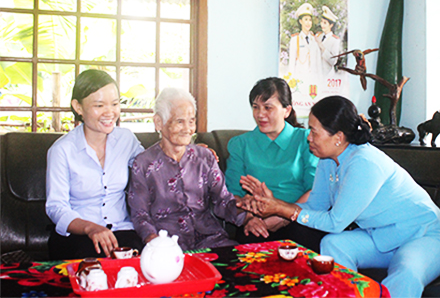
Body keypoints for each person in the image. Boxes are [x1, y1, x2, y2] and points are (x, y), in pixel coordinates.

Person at [240, 95, 440, 298]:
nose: (309, 137)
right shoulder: (328, 159)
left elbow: (335, 222)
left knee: (407, 271)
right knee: (334, 245)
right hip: (382, 237)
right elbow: (316, 205)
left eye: (314, 132)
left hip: (424, 236)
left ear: (338, 137)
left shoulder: (364, 163)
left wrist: (281, 209)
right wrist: (275, 206)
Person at [128, 87, 247, 251]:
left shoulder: (205, 157)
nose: (187, 128)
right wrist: (153, 241)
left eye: (191, 121)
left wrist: (247, 217)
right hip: (167, 244)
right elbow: (140, 215)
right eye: (179, 121)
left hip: (211, 239)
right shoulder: (143, 164)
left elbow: (223, 201)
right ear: (158, 122)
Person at [46, 69, 145, 260]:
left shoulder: (126, 139)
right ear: (78, 107)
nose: (110, 112)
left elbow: (152, 165)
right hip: (78, 234)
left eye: (115, 104)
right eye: (99, 105)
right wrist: (90, 228)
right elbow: (56, 207)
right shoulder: (62, 150)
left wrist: (187, 151)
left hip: (122, 230)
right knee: (93, 270)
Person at [225, 77, 327, 252]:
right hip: (258, 220)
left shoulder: (306, 140)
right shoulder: (240, 144)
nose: (260, 114)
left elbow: (315, 190)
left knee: (303, 237)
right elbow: (230, 195)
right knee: (250, 239)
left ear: (286, 110)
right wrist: (249, 218)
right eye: (255, 107)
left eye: (268, 107)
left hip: (297, 218)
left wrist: (283, 216)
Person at [287, 2, 322, 115]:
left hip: (313, 83)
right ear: (300, 21)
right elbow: (292, 63)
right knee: (299, 113)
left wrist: (320, 81)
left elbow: (318, 63)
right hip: (300, 81)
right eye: (305, 19)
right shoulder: (295, 39)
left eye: (310, 20)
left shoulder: (315, 40)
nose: (308, 23)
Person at [315, 6, 341, 78]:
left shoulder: (335, 40)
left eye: (325, 23)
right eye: (321, 22)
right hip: (316, 74)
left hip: (328, 76)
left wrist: (322, 47)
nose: (322, 25)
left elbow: (333, 61)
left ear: (331, 25)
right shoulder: (318, 35)